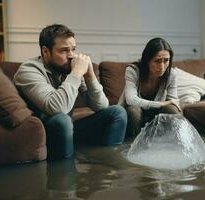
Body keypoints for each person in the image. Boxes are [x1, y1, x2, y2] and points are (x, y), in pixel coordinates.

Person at [13, 24, 127, 160]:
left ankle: (108, 166)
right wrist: (77, 72)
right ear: (45, 52)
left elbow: (101, 106)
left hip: (69, 127)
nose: (71, 56)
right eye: (64, 51)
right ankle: (65, 174)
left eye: (73, 49)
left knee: (117, 112)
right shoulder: (28, 70)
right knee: (62, 120)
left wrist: (90, 75)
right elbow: (58, 108)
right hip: (44, 131)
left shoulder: (67, 69)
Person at [118, 37, 181, 137]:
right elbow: (131, 100)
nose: (162, 66)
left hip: (156, 114)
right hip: (135, 113)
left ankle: (167, 144)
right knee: (134, 110)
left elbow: (173, 102)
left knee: (172, 110)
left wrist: (168, 105)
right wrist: (161, 104)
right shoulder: (133, 71)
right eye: (157, 61)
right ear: (147, 60)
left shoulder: (171, 74)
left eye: (166, 60)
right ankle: (132, 146)